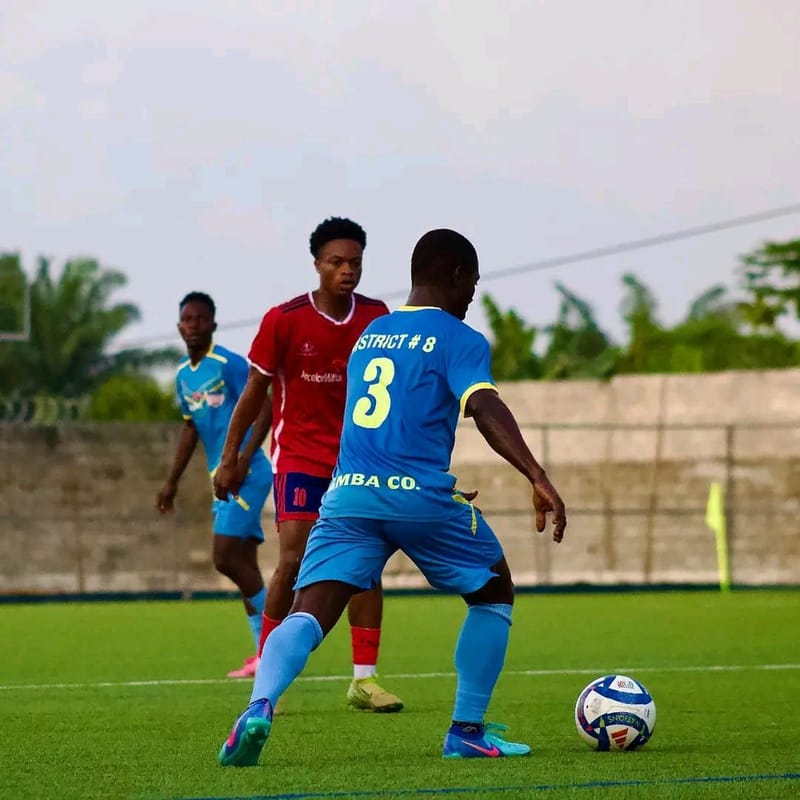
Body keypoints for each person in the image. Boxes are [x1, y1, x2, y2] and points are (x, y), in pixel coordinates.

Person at [217, 228, 568, 767]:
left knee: (308, 611)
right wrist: (536, 475)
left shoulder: (371, 335)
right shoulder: (460, 338)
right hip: (417, 498)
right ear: (457, 276)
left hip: (348, 497)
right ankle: (466, 731)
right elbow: (484, 407)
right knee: (494, 591)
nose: (472, 295)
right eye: (473, 283)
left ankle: (259, 706)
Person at [213, 217, 403, 712]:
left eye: (355, 262)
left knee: (365, 564)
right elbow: (254, 393)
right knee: (293, 561)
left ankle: (364, 680)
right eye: (337, 262)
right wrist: (231, 458)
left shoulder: (378, 317)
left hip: (360, 463)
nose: (347, 271)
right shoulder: (284, 319)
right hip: (299, 458)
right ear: (317, 264)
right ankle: (266, 678)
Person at [157, 292, 274, 678]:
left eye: (200, 319)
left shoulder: (228, 364)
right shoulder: (183, 375)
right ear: (179, 327)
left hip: (247, 474)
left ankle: (274, 644)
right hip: (220, 479)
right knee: (244, 564)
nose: (193, 325)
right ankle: (264, 653)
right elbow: (191, 429)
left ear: (213, 324)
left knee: (225, 558)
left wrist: (242, 459)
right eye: (187, 319)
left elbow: (265, 408)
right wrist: (171, 482)